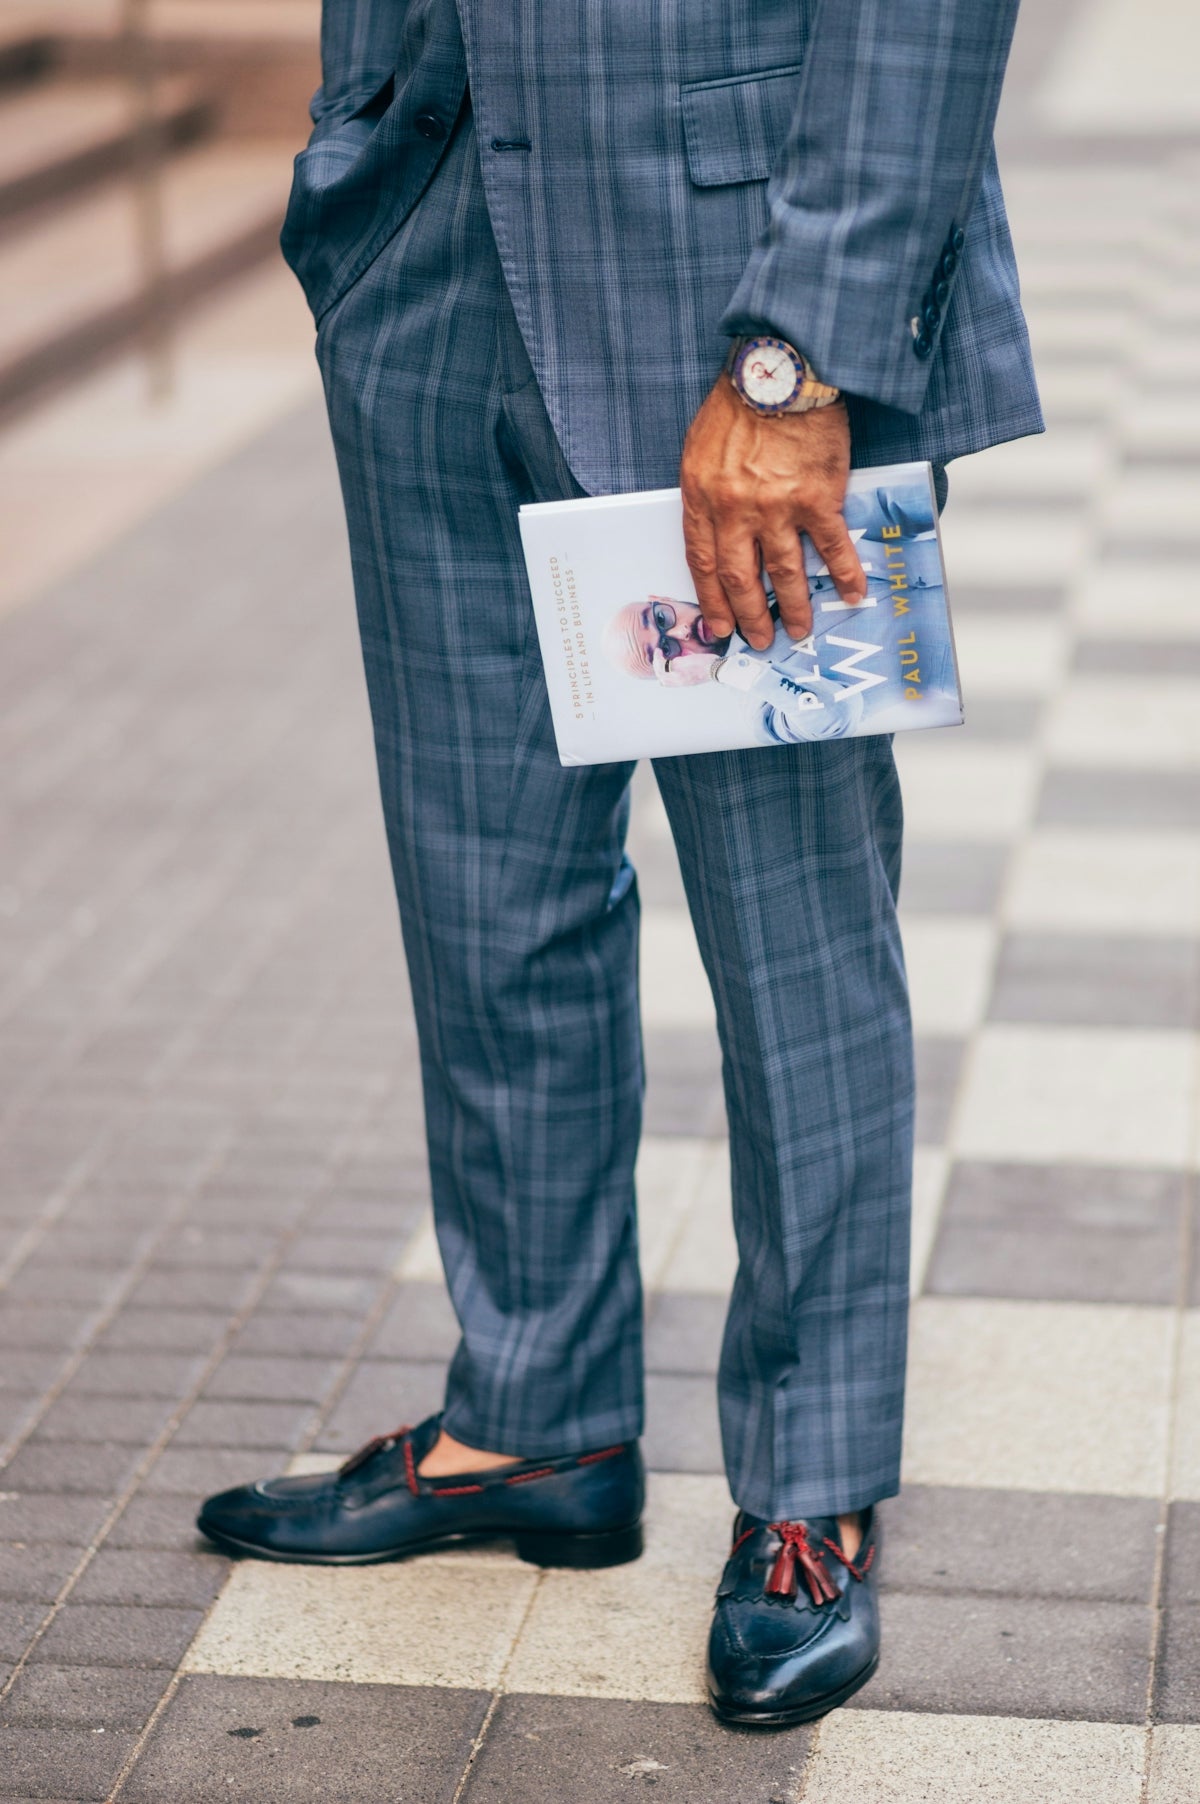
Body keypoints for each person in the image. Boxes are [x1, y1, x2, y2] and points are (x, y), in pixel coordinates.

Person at [196, 0, 1040, 1726]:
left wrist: (803, 350)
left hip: (726, 282)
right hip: (424, 235)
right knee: (481, 883)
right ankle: (536, 1412)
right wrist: (360, 134)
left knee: (788, 929)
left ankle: (814, 1481)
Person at [604, 482, 960, 743]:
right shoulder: (762, 707)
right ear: (675, 672)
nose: (680, 634)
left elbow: (886, 507)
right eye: (666, 651)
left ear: (663, 599)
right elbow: (836, 719)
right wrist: (722, 671)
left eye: (662, 619)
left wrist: (947, 490)